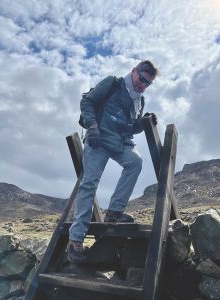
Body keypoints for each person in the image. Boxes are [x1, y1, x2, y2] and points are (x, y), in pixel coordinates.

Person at [67, 60, 158, 263]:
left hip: (120, 142)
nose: (143, 85)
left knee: (135, 162)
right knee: (89, 184)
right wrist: (92, 126)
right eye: (142, 79)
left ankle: (114, 213)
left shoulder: (139, 101)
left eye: (148, 83)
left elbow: (130, 127)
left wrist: (143, 123)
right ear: (134, 71)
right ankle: (75, 241)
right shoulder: (113, 83)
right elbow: (87, 102)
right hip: (98, 138)